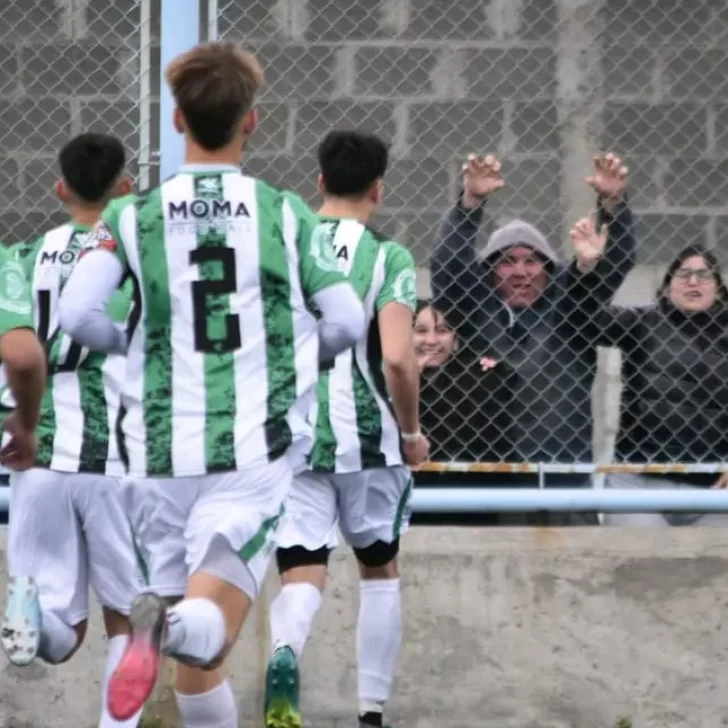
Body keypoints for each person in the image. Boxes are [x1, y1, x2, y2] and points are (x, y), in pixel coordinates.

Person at [58, 43, 365, 728]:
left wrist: (133, 344)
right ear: (251, 122)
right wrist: (303, 359)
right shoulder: (284, 213)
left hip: (156, 450)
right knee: (208, 632)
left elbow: (78, 316)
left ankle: (157, 625)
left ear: (176, 120)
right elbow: (347, 318)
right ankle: (159, 627)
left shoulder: (130, 217)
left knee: (200, 661)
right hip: (247, 449)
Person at [262, 130, 429, 728]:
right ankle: (371, 712)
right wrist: (410, 433)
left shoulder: (281, 247)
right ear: (378, 189)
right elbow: (399, 359)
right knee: (379, 567)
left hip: (292, 433)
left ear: (319, 182)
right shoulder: (388, 256)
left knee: (303, 568)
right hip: (368, 437)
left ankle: (285, 652)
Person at [0, 133, 145, 728]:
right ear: (127, 188)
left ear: (60, 189)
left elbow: (19, 352)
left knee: (62, 633)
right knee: (129, 617)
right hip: (120, 451)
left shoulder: (19, 257)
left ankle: (28, 606)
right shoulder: (136, 261)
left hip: (35, 452)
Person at [430, 153, 636, 522]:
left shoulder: (569, 311)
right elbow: (447, 274)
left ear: (549, 267)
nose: (520, 272)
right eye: (507, 261)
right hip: (493, 484)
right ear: (490, 271)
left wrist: (613, 207)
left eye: (532, 260)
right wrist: (469, 205)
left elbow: (601, 278)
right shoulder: (477, 316)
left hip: (564, 484)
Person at [566, 225, 728, 525]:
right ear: (667, 286)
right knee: (630, 568)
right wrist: (587, 269)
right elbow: (583, 321)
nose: (693, 281)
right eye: (682, 274)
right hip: (638, 478)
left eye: (704, 275)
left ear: (718, 288)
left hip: (713, 487)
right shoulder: (644, 322)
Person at [415, 302, 512, 463]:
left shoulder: (482, 381)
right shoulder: (383, 378)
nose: (431, 341)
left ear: (455, 340)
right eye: (421, 331)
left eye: (442, 331)